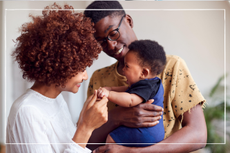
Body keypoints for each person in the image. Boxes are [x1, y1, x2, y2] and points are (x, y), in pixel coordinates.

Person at [84, 1, 207, 153]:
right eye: (101, 42)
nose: (110, 45)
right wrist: (116, 117)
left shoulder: (172, 66)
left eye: (113, 33)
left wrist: (136, 152)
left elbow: (198, 134)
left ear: (128, 21)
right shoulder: (99, 78)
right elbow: (85, 141)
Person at [6, 3, 108, 153]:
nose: (85, 76)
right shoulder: (27, 111)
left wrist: (83, 120)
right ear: (60, 64)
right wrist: (86, 128)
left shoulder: (56, 99)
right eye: (82, 68)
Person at [97, 40, 166, 147]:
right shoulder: (151, 83)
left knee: (111, 139)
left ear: (143, 73)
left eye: (127, 66)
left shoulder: (146, 86)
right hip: (151, 132)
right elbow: (126, 90)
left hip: (145, 132)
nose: (123, 70)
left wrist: (108, 94)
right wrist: (111, 88)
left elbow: (130, 100)